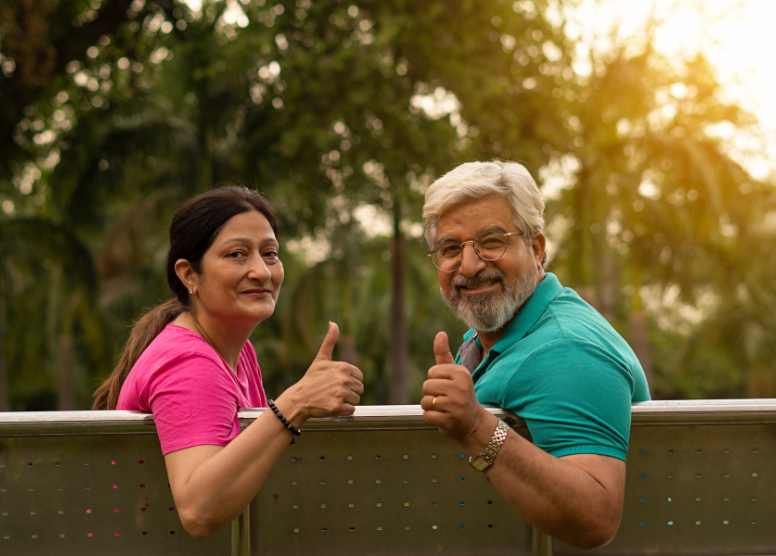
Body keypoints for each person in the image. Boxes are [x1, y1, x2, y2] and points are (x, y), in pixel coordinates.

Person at [93, 186, 364, 539]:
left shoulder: (235, 351)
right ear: (189, 274)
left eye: (270, 253)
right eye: (237, 254)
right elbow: (198, 510)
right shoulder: (189, 362)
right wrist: (296, 403)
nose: (261, 272)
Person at [419, 161, 650, 549]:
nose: (470, 265)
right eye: (450, 248)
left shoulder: (567, 348)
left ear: (536, 248)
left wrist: (476, 426)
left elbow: (596, 517)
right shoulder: (492, 335)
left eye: (491, 241)